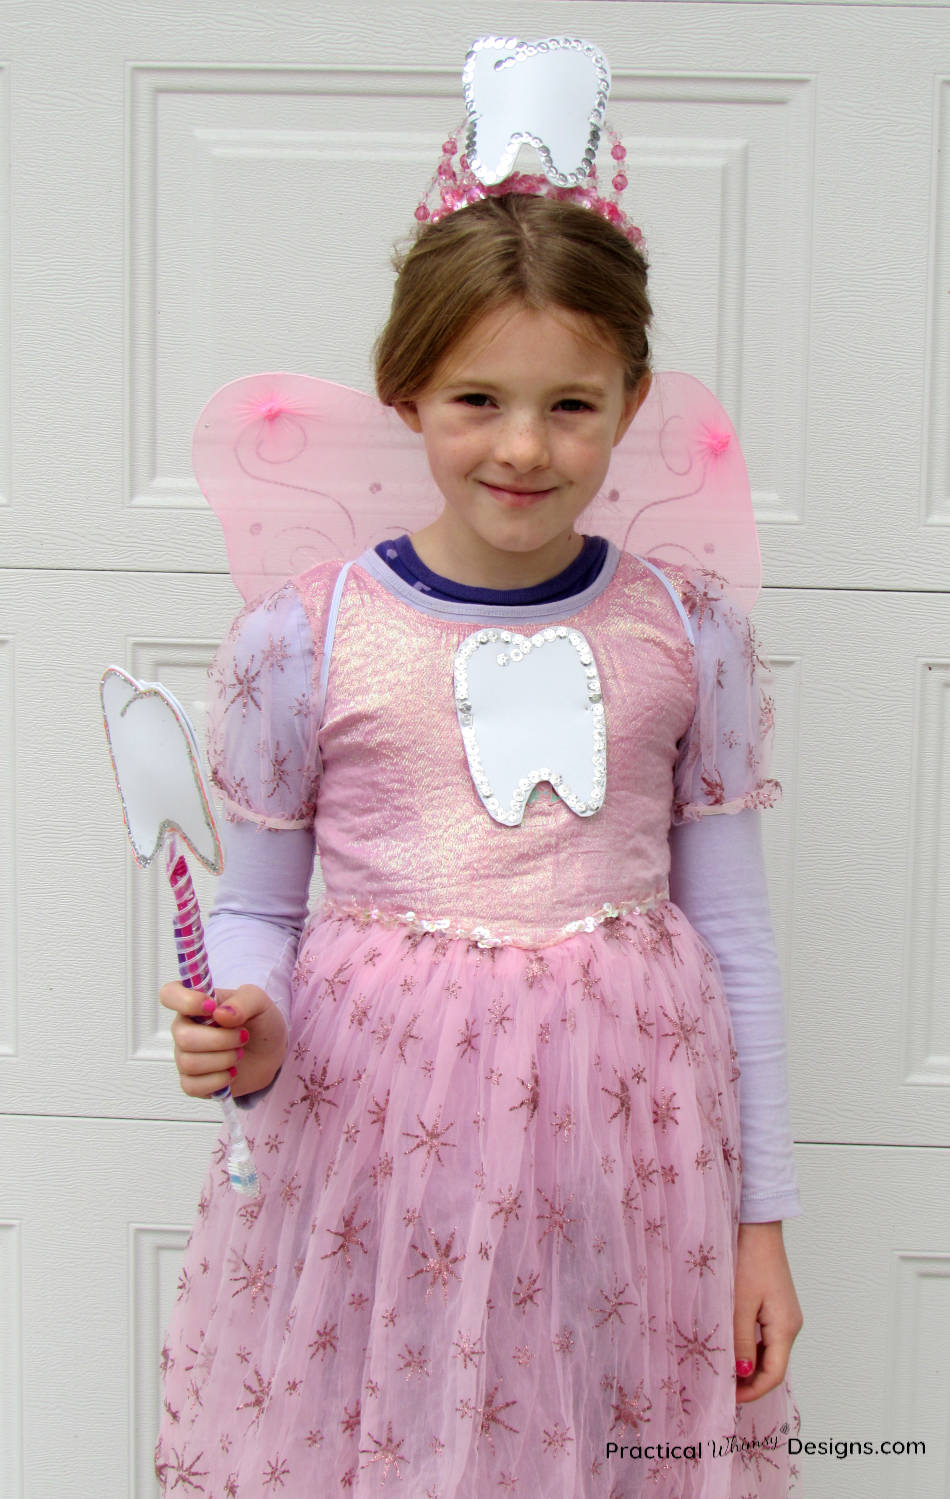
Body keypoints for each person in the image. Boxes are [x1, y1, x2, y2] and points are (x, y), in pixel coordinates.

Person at [155, 61, 803, 1499]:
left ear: (629, 401)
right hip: (383, 1154)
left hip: (628, 1158)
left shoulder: (687, 634)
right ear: (406, 391)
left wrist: (763, 1222)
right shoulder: (302, 637)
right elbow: (262, 910)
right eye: (476, 398)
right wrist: (247, 1021)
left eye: (571, 404)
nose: (522, 446)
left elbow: (739, 940)